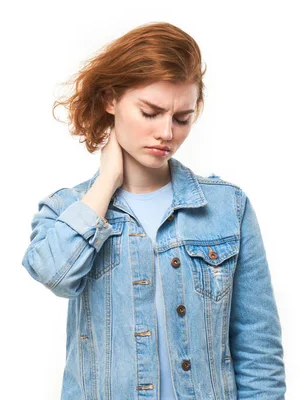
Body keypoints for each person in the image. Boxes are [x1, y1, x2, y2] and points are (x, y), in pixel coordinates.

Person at [21, 21, 286, 400]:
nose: (167, 133)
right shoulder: (68, 209)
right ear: (111, 100)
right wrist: (107, 180)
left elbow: (258, 349)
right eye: (150, 112)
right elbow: (54, 274)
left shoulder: (228, 208)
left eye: (182, 118)